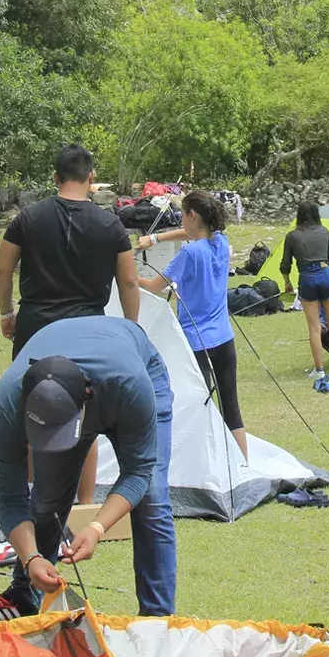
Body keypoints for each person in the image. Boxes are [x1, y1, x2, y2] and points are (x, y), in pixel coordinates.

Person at [0, 316, 175, 622]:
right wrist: (30, 557)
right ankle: (25, 593)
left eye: (61, 430)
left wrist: (96, 528)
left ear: (86, 400)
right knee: (47, 497)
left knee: (151, 500)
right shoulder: (8, 406)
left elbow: (139, 471)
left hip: (135, 370)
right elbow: (11, 498)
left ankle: (157, 620)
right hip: (74, 361)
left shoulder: (129, 385)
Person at [0, 144, 140, 509]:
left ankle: (33, 499)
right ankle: (86, 501)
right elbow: (129, 283)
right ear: (91, 179)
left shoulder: (27, 218)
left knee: (32, 409)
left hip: (36, 328)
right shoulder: (110, 224)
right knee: (85, 416)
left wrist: (6, 312)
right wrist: (130, 330)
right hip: (88, 330)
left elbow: (2, 269)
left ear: (55, 177)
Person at [135, 191, 245, 458]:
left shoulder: (189, 254)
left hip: (196, 344)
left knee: (198, 406)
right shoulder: (220, 240)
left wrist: (128, 273)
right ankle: (244, 462)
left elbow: (154, 287)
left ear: (192, 215)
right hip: (223, 339)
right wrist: (155, 238)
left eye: (182, 215)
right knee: (231, 405)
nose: (181, 221)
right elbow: (190, 234)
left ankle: (204, 463)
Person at [280, 201, 329, 382]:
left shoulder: (292, 236)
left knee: (314, 327)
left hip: (306, 278)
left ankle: (319, 370)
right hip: (326, 274)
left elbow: (285, 264)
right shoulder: (324, 231)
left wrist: (287, 283)